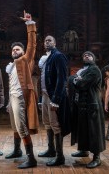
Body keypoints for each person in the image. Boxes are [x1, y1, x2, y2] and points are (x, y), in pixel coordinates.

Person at [5, 11, 39, 169]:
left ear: (23, 52)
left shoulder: (25, 60)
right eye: (13, 50)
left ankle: (31, 158)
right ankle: (17, 150)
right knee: (14, 125)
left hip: (20, 97)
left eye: (17, 49)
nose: (15, 52)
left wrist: (29, 24)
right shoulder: (11, 67)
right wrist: (7, 102)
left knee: (21, 126)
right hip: (12, 98)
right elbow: (12, 85)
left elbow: (32, 45)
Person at [37, 34, 70, 166]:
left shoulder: (58, 56)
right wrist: (41, 98)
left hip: (53, 97)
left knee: (56, 125)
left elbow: (62, 79)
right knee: (47, 123)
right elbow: (43, 80)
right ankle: (51, 150)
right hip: (45, 95)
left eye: (50, 40)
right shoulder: (47, 58)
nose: (47, 42)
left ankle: (60, 156)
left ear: (55, 43)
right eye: (45, 40)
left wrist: (55, 99)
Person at [68, 51, 105, 168]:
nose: (86, 56)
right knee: (83, 129)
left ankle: (97, 158)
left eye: (89, 55)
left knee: (94, 131)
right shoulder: (84, 70)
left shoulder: (94, 70)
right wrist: (76, 79)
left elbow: (82, 84)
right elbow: (73, 79)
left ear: (93, 58)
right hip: (83, 104)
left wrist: (76, 80)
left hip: (92, 104)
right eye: (84, 55)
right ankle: (84, 150)